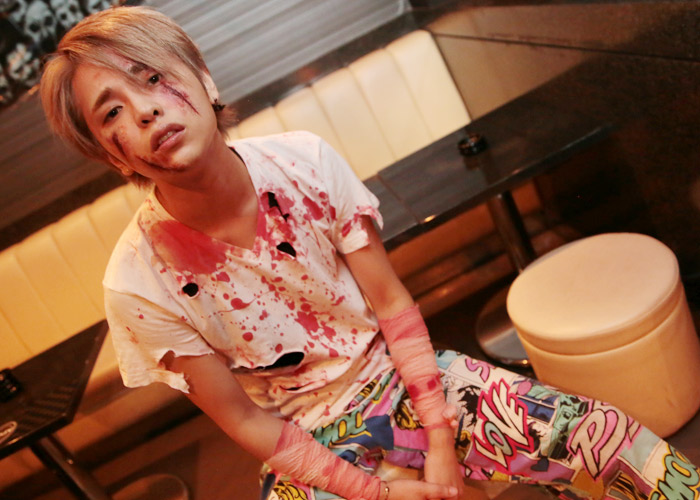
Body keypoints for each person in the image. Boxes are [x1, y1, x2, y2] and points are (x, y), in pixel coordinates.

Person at [40, 6, 699, 500]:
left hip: (402, 375)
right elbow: (241, 418)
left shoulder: (303, 163)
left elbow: (390, 303)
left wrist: (439, 436)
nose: (145, 111)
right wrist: (376, 492)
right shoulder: (138, 283)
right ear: (111, 155)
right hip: (300, 435)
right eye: (111, 112)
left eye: (153, 77)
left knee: (603, 437)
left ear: (204, 78)